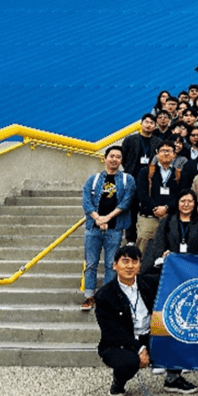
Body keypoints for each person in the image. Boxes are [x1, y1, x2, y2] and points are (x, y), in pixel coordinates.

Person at [96, 245, 197, 396]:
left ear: (139, 265)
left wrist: (170, 260)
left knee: (184, 336)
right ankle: (119, 381)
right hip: (120, 343)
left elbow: (169, 276)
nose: (130, 266)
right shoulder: (104, 295)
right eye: (125, 261)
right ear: (115, 265)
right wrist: (139, 349)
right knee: (129, 361)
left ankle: (173, 378)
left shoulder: (149, 283)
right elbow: (113, 331)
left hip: (149, 335)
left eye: (134, 261)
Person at [81, 146, 136, 311]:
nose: (114, 159)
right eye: (111, 156)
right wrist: (98, 218)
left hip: (115, 228)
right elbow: (86, 202)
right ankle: (89, 296)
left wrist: (107, 218)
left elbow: (126, 202)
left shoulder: (127, 179)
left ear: (121, 160)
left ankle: (107, 297)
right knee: (91, 263)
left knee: (112, 264)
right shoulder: (93, 179)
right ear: (105, 158)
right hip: (93, 228)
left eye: (118, 157)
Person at [142, 189, 198, 272]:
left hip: (192, 266)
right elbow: (159, 244)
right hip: (170, 265)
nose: (186, 204)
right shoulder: (166, 221)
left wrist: (193, 261)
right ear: (177, 202)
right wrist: (163, 255)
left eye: (190, 201)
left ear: (195, 203)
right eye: (183, 201)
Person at [135, 140, 182, 254]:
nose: (166, 153)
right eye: (163, 150)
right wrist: (156, 208)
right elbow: (142, 194)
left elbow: (180, 196)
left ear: (174, 154)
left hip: (170, 217)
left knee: (168, 249)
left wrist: (166, 208)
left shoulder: (178, 174)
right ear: (157, 153)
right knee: (143, 246)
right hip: (149, 216)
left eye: (169, 151)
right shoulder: (146, 171)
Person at [121, 114, 160, 243]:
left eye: (152, 123)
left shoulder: (157, 142)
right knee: (131, 209)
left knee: (147, 208)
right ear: (141, 124)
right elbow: (124, 158)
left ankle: (146, 236)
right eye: (146, 122)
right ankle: (130, 238)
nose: (149, 125)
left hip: (150, 181)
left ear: (155, 126)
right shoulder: (130, 140)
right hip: (132, 179)